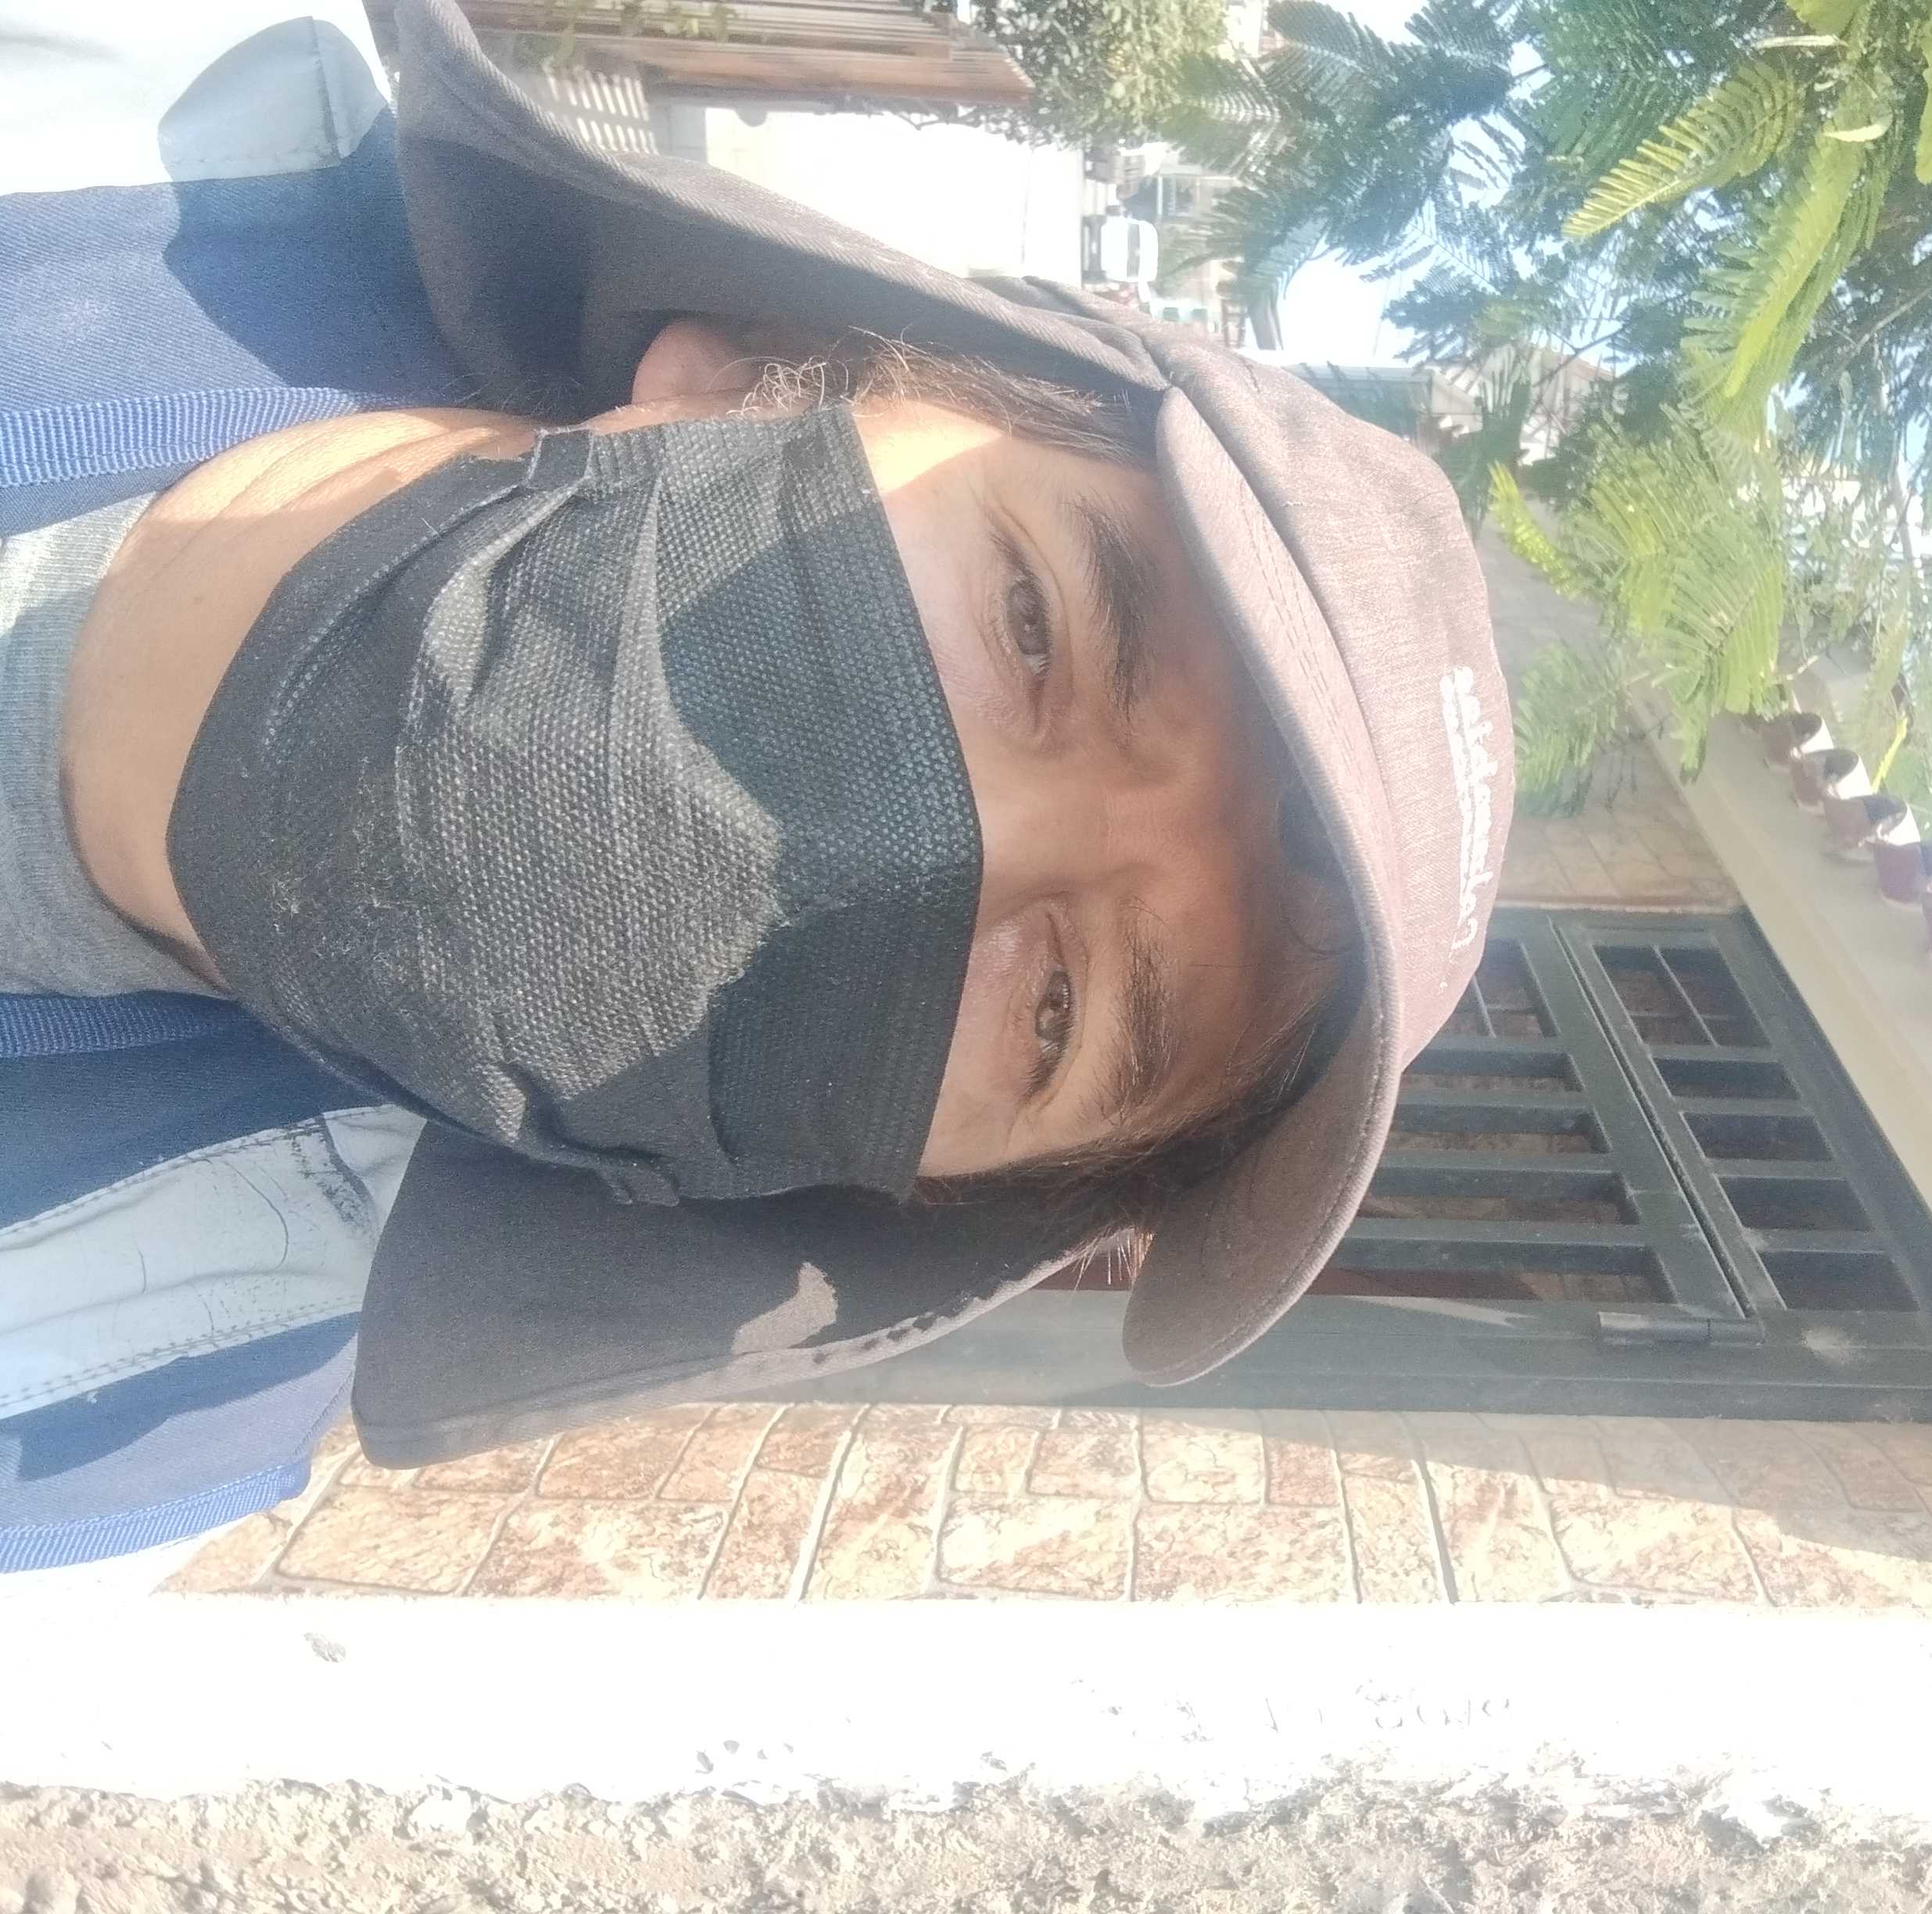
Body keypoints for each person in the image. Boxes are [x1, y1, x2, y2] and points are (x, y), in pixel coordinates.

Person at [0, 0, 1510, 1574]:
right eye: (1031, 622)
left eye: (1060, 1015)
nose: (956, 849)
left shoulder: (111, 1447)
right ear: (760, 374)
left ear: (860, 1187)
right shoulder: (122, 91)